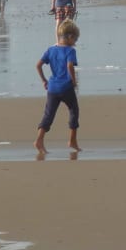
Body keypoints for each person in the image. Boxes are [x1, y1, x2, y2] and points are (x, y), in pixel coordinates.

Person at [34, 20, 81, 154]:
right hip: (66, 87)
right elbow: (70, 66)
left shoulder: (50, 50)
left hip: (52, 88)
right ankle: (72, 140)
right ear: (70, 37)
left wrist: (44, 80)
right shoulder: (70, 51)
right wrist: (74, 80)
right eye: (75, 39)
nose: (75, 42)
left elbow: (38, 65)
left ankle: (39, 140)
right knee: (74, 111)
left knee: (48, 115)